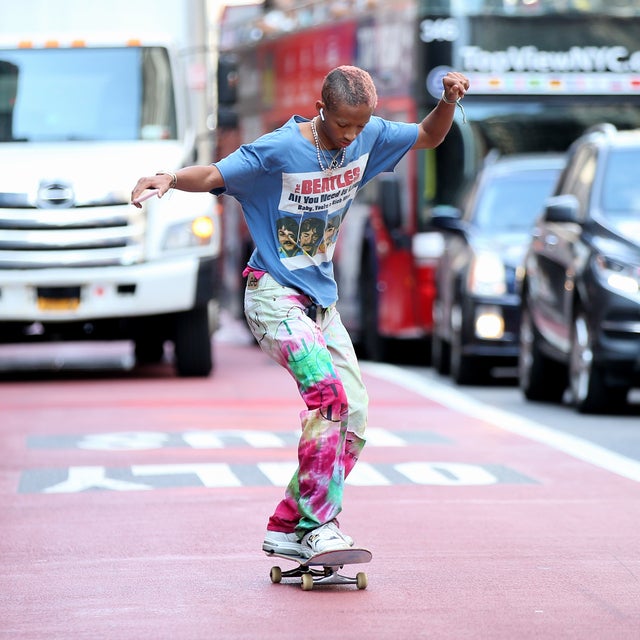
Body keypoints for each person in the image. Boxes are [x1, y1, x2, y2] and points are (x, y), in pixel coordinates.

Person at [131, 65, 469, 558]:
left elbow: (426, 137)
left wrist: (447, 104)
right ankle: (318, 525)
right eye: (341, 126)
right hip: (272, 295)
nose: (351, 137)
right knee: (327, 397)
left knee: (354, 418)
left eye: (361, 125)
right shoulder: (279, 149)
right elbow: (215, 174)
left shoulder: (368, 134)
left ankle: (287, 524)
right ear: (320, 110)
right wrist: (169, 179)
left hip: (320, 304)